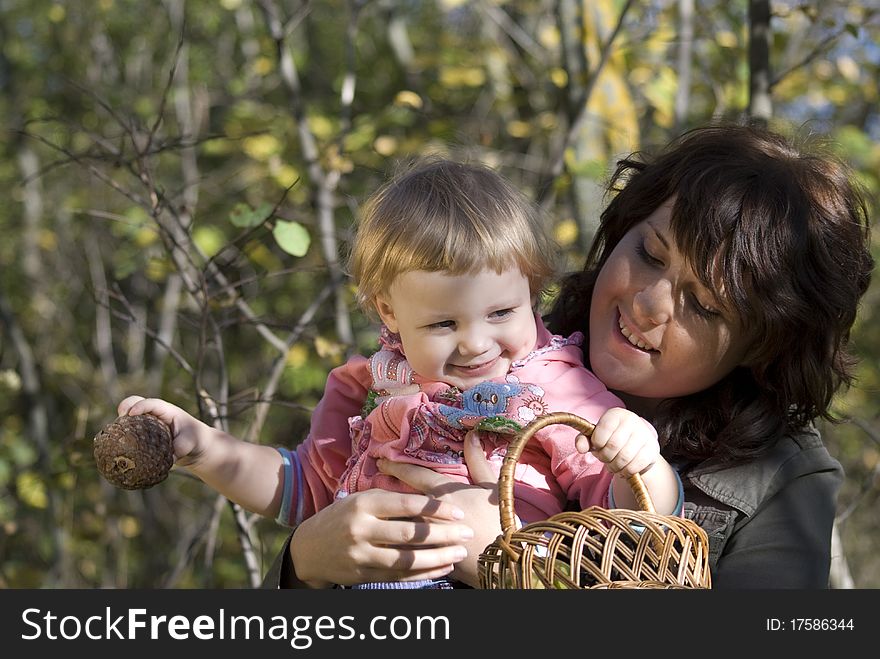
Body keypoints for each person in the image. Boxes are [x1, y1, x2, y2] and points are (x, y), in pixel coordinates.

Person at [262, 121, 873, 589]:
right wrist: (304, 562)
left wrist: (521, 567)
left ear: (763, 342)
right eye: (650, 254)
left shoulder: (781, 480)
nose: (648, 302)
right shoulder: (477, 347)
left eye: (705, 306)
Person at [117, 158, 680, 588]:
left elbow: (633, 520)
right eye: (442, 323)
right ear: (389, 311)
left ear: (532, 288)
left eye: (502, 312)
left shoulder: (553, 385)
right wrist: (205, 449)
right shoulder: (369, 387)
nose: (477, 343)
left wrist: (641, 460)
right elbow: (305, 490)